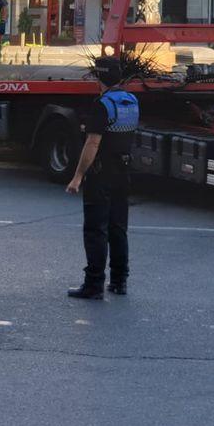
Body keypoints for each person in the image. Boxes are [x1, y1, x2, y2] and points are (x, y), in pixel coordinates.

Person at [65, 58, 139, 300]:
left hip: (101, 173)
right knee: (119, 227)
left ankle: (94, 284)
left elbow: (93, 142)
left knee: (96, 229)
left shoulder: (102, 105)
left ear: (100, 78)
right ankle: (120, 280)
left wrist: (77, 176)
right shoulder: (132, 101)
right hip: (123, 171)